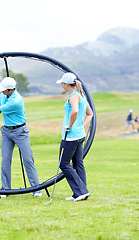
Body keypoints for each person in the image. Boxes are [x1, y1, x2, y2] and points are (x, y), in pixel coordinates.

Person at [56, 72, 93, 202]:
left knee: (64, 164)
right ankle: (82, 192)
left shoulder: (73, 96)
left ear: (66, 84)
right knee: (78, 164)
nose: (61, 85)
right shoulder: (81, 96)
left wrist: (70, 125)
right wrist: (80, 126)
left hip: (70, 136)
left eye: (62, 83)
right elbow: (90, 114)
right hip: (79, 135)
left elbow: (75, 111)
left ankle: (81, 191)